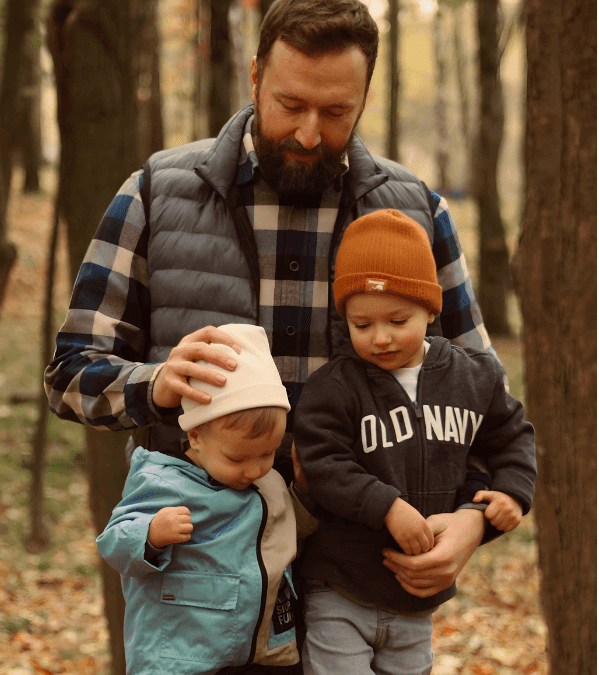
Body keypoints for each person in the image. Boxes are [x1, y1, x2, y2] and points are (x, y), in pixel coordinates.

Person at [44, 0, 492, 625]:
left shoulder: (414, 213)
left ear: (364, 97)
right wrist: (155, 384)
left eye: (336, 112)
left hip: (363, 587)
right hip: (201, 592)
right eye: (290, 105)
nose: (310, 133)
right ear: (255, 77)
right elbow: (69, 377)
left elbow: (483, 398)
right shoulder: (154, 192)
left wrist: (474, 520)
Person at [293, 209, 536, 673]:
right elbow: (322, 462)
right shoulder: (334, 386)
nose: (380, 338)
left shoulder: (473, 376)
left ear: (429, 308)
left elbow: (512, 437)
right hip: (340, 585)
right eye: (361, 326)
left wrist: (510, 493)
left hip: (417, 594)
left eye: (397, 320)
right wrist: (387, 505)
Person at [96, 324, 319, 674]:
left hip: (259, 650)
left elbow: (290, 530)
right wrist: (151, 533)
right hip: (182, 655)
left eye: (267, 454)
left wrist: (302, 494)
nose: (254, 470)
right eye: (237, 459)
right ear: (196, 435)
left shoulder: (269, 482)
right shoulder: (162, 480)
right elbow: (113, 542)